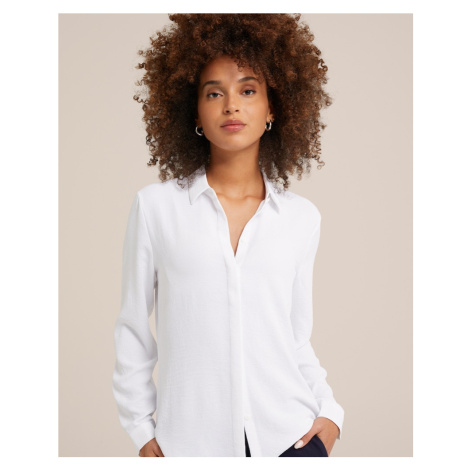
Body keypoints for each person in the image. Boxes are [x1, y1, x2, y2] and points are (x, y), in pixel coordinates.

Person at [112, 13, 344, 457]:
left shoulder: (301, 218)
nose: (231, 105)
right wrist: (141, 429)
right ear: (196, 112)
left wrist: (331, 414)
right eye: (214, 93)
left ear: (273, 108)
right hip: (189, 445)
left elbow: (295, 338)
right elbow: (133, 328)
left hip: (290, 440)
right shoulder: (156, 208)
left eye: (248, 90)